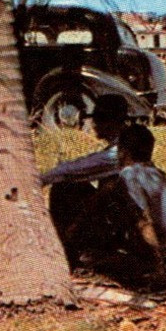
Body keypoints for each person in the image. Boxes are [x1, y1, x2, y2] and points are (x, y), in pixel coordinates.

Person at [65, 122, 166, 280]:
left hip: (161, 250)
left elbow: (143, 219)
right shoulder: (157, 173)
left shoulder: (129, 174)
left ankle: (70, 244)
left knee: (94, 261)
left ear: (123, 152)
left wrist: (158, 263)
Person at [42, 95, 130, 262]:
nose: (94, 125)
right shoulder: (120, 146)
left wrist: (38, 179)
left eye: (97, 120)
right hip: (118, 217)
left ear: (109, 122)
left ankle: (68, 250)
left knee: (63, 188)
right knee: (73, 186)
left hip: (121, 223)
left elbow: (72, 170)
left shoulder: (116, 154)